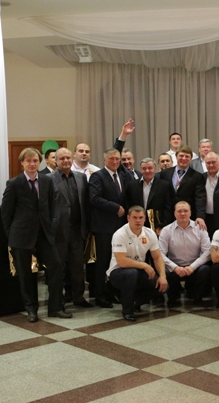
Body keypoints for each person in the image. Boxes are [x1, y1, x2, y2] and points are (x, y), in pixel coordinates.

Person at [1, 148, 69, 322]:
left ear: (40, 162)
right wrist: (12, 235)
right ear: (22, 163)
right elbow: (6, 213)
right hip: (21, 235)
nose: (32, 164)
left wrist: (50, 227)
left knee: (56, 266)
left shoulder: (47, 181)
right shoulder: (14, 183)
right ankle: (31, 309)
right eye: (28, 161)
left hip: (44, 234)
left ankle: (55, 307)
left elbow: (52, 206)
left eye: (35, 161)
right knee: (26, 274)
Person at [88, 119, 135, 308]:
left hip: (121, 227)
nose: (115, 161)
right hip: (104, 228)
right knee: (103, 262)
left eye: (117, 159)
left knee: (118, 260)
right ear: (104, 160)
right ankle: (100, 295)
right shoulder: (97, 176)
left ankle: (114, 292)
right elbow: (94, 198)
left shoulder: (123, 175)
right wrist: (116, 208)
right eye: (111, 159)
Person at [107, 206, 168, 321]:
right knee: (131, 274)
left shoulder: (149, 233)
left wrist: (163, 276)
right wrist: (144, 265)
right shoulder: (120, 234)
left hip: (137, 271)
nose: (138, 221)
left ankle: (136, 302)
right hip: (117, 272)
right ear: (128, 218)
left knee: (162, 285)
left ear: (145, 218)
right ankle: (127, 311)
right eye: (134, 217)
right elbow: (122, 261)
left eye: (140, 218)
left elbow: (157, 257)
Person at [51, 147, 92, 308]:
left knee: (77, 266)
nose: (66, 161)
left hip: (77, 229)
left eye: (68, 157)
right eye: (62, 158)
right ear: (56, 161)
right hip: (58, 231)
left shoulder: (81, 177)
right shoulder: (48, 179)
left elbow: (85, 202)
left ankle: (78, 297)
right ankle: (58, 300)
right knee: (58, 267)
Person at [159, 202, 212, 306]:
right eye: (179, 211)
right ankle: (173, 297)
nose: (182, 214)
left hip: (194, 267)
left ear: (190, 213)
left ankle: (197, 296)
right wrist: (175, 267)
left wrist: (192, 267)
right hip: (174, 267)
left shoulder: (200, 228)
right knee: (164, 270)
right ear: (174, 213)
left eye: (185, 211)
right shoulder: (166, 230)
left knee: (205, 269)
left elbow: (207, 252)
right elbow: (160, 253)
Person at [158, 145, 207, 227]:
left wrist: (200, 216)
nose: (184, 158)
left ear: (191, 159)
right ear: (176, 156)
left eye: (187, 156)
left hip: (187, 217)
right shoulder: (165, 173)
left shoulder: (197, 176)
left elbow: (200, 198)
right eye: (181, 156)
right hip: (168, 217)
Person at [125, 158, 173, 234]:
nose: (147, 171)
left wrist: (164, 225)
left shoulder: (164, 185)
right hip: (137, 225)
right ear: (141, 170)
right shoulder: (131, 185)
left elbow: (168, 207)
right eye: (144, 168)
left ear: (155, 169)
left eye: (150, 168)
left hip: (157, 227)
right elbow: (128, 206)